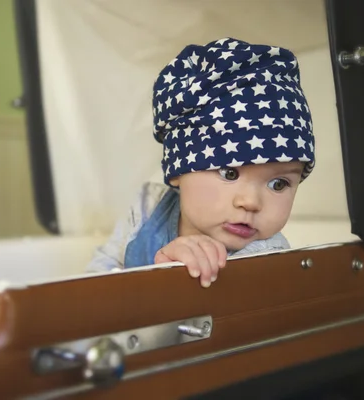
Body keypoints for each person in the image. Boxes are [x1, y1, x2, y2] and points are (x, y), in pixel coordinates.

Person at [85, 37, 315, 288]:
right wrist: (155, 272)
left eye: (278, 184)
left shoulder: (268, 256)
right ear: (177, 170)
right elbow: (93, 286)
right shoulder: (146, 210)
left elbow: (248, 321)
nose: (250, 202)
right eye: (229, 173)